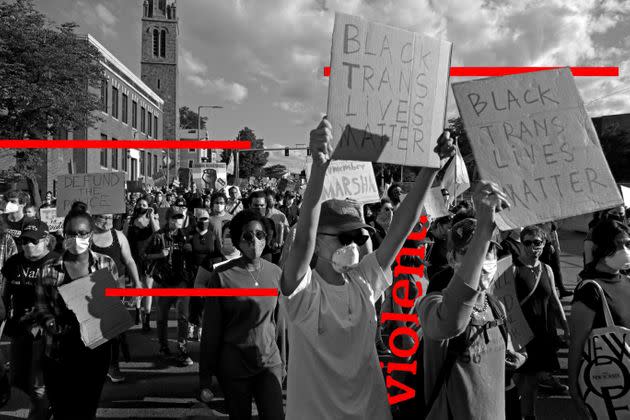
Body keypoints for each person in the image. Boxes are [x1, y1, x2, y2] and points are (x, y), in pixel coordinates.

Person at [280, 118, 453, 419]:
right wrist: (319, 169)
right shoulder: (303, 293)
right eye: (343, 237)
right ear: (317, 243)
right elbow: (302, 240)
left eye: (358, 236)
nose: (354, 245)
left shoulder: (362, 281)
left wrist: (430, 170)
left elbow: (401, 226)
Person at [418, 183, 515, 420]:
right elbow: (451, 322)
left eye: (488, 251)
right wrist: (483, 231)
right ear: (451, 258)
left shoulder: (496, 307)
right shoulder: (432, 305)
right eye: (470, 252)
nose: (482, 259)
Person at [200, 209, 284, 419]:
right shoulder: (221, 276)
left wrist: (285, 363)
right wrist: (205, 377)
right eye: (247, 236)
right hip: (234, 366)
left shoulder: (276, 273)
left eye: (259, 234)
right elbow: (211, 330)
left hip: (269, 363)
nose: (254, 241)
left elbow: (281, 323)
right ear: (237, 240)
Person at [35, 208, 117, 419]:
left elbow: (113, 305)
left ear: (91, 234)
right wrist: (50, 322)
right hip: (59, 352)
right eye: (71, 233)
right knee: (62, 410)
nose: (77, 238)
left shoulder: (106, 264)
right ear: (63, 233)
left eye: (82, 233)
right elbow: (42, 307)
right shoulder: (49, 268)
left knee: (86, 410)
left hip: (94, 353)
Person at [569, 219, 630, 419]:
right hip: (609, 387)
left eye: (628, 243)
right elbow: (577, 343)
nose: (625, 249)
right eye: (619, 244)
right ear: (602, 247)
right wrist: (574, 389)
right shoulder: (589, 289)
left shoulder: (627, 282)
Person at [515, 225, 569, 419]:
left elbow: (554, 299)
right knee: (527, 382)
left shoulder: (546, 268)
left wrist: (565, 326)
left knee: (531, 380)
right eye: (527, 242)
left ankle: (525, 411)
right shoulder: (513, 269)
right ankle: (527, 416)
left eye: (536, 243)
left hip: (543, 332)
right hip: (522, 334)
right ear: (521, 244)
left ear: (544, 244)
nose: (531, 247)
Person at [92, 213, 143, 383]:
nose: (107, 221)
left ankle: (113, 365)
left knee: (113, 330)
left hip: (116, 288)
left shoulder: (118, 236)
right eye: (103, 218)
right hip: (91, 289)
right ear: (93, 217)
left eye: (110, 218)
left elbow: (129, 260)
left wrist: (137, 283)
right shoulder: (87, 236)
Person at [0, 224, 43, 418]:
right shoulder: (14, 263)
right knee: (18, 377)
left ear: (46, 240)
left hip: (44, 331)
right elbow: (6, 291)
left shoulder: (56, 261)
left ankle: (40, 410)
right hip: (19, 327)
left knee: (38, 382)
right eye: (25, 241)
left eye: (34, 240)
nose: (29, 245)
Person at [149, 210, 194, 366]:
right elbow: (143, 255)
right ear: (167, 219)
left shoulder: (186, 234)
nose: (177, 220)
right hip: (164, 282)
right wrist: (159, 255)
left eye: (180, 217)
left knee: (183, 317)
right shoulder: (158, 236)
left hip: (182, 281)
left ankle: (182, 350)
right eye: (174, 218)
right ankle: (163, 347)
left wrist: (190, 250)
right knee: (162, 318)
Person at [185, 208, 222, 341]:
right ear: (196, 220)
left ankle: (200, 327)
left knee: (204, 302)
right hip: (193, 272)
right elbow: (185, 255)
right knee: (193, 302)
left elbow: (219, 254)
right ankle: (191, 326)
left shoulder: (213, 236)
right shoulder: (189, 235)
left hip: (208, 272)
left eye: (206, 218)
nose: (203, 221)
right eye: (200, 219)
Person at [127, 199, 160, 330]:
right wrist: (127, 221)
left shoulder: (152, 219)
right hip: (134, 257)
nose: (141, 206)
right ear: (136, 206)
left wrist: (151, 217)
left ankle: (146, 317)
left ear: (149, 207)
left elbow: (158, 232)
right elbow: (124, 236)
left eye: (144, 205)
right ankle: (137, 312)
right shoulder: (130, 221)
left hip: (149, 258)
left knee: (147, 288)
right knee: (137, 285)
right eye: (140, 204)